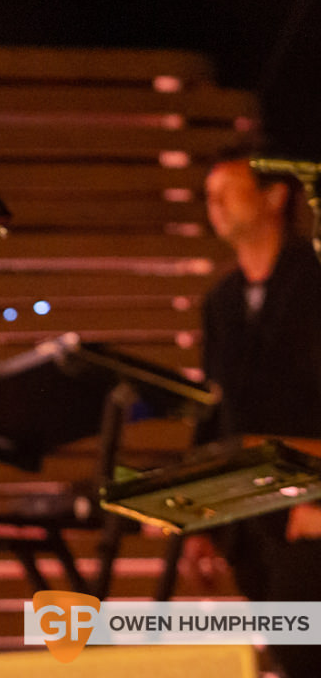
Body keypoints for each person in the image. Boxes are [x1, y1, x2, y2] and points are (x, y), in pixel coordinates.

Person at [183, 151, 321, 676]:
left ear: (275, 196)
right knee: (283, 648)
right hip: (249, 515)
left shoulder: (313, 281)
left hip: (308, 501)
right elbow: (214, 409)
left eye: (228, 189)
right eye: (208, 193)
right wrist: (198, 517)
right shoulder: (221, 301)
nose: (213, 203)